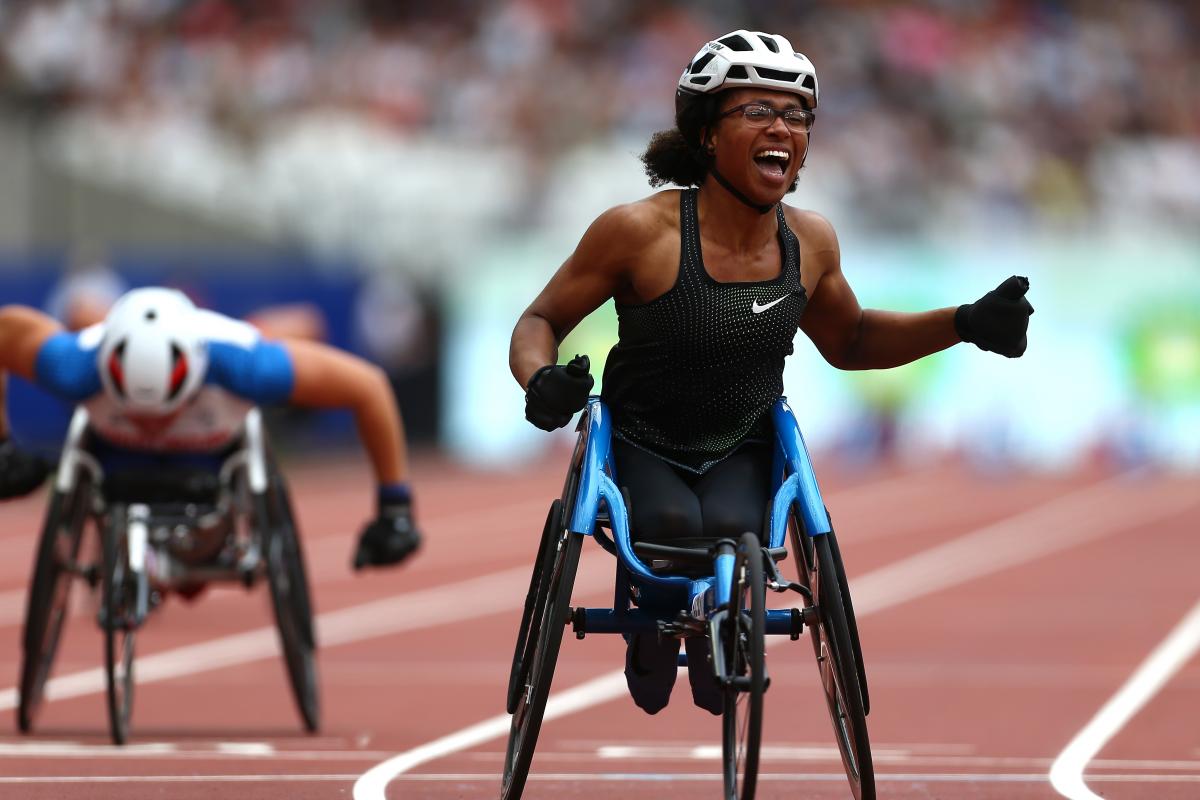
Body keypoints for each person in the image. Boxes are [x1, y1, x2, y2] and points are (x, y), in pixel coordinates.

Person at [509, 30, 1033, 716]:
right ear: (704, 134)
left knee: (736, 537)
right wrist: (539, 379)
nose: (782, 128)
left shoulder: (809, 241)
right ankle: (658, 625)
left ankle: (709, 619)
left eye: (797, 115)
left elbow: (852, 339)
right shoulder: (639, 232)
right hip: (643, 440)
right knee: (667, 529)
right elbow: (538, 320)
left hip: (744, 442)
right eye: (757, 111)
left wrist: (962, 323)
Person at [0, 287, 421, 571]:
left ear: (197, 376)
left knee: (286, 328)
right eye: (139, 410)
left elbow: (369, 387)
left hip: (212, 452)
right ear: (109, 377)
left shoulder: (245, 365)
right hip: (115, 454)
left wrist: (394, 507)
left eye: (165, 411)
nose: (152, 425)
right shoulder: (73, 366)